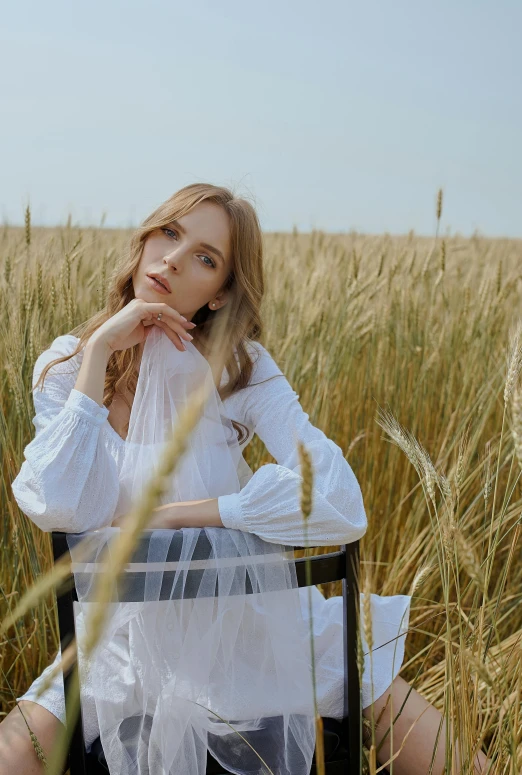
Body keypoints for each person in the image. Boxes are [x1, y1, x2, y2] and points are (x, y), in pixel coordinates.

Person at [0, 184, 490, 774]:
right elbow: (58, 506)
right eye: (170, 233)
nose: (175, 259)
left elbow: (338, 499)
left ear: (220, 293)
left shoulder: (241, 368)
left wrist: (179, 515)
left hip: (247, 625)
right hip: (125, 640)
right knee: (17, 750)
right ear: (146, 238)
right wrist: (101, 349)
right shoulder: (68, 364)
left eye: (206, 258)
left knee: (398, 709)